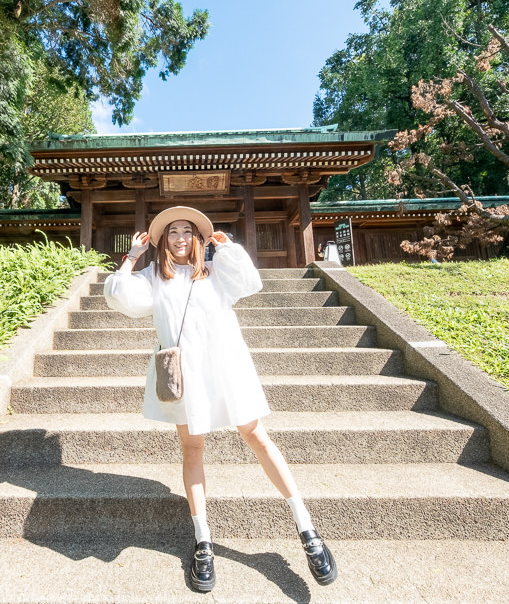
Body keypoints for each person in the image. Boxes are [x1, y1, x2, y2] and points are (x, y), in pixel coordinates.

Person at [103, 206, 337, 593]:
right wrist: (130, 258)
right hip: (184, 375)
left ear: (198, 238)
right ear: (162, 241)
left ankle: (307, 529)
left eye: (188, 231)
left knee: (257, 436)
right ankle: (203, 542)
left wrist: (228, 248)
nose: (180, 237)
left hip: (227, 366)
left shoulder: (215, 273)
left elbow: (248, 281)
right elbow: (121, 299)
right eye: (172, 231)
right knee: (191, 449)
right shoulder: (152, 278)